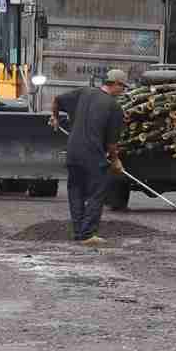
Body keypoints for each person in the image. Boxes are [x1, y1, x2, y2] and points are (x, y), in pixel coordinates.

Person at [51, 68, 128, 246]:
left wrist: (54, 117)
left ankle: (79, 233)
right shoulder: (114, 107)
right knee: (97, 192)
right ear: (115, 84)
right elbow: (111, 144)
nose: (122, 91)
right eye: (122, 87)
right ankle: (88, 234)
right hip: (93, 155)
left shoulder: (83, 92)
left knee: (75, 191)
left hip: (73, 152)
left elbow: (57, 99)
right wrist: (116, 160)